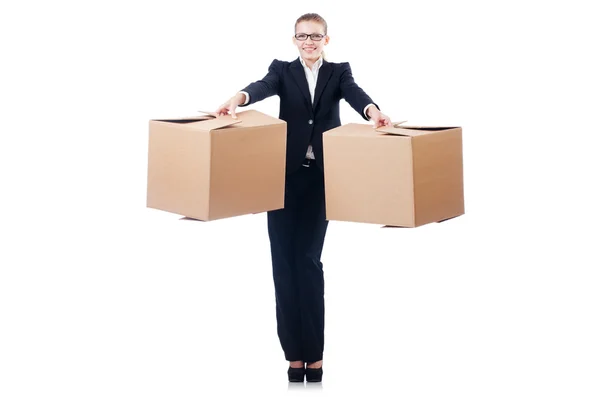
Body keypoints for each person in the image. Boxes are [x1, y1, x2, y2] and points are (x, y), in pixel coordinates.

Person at [215, 13, 391, 383]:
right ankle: (294, 356)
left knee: (308, 261)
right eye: (302, 36)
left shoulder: (338, 72)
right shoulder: (282, 70)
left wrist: (372, 111)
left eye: (315, 36)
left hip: (321, 180)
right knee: (283, 263)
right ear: (294, 39)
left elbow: (355, 94)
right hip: (283, 180)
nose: (308, 42)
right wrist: (239, 98)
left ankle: (315, 354)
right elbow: (261, 86)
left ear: (327, 40)